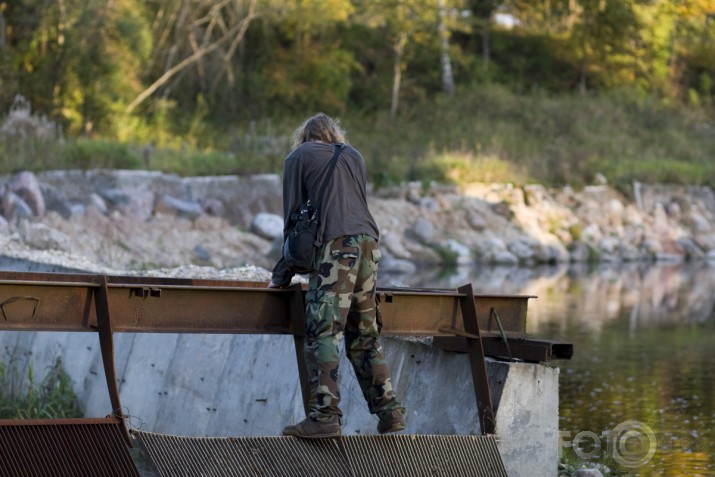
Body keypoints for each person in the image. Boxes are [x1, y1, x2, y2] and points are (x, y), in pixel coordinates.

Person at [268, 113, 405, 439]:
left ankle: (325, 416)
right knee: (364, 335)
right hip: (369, 245)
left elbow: (293, 221)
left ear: (304, 136)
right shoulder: (353, 155)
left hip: (336, 247)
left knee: (323, 332)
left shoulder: (298, 157)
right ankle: (390, 414)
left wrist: (282, 274)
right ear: (333, 134)